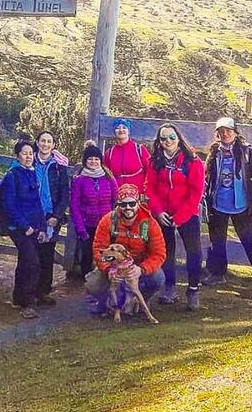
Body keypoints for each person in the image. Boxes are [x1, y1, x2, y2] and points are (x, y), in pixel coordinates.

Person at [202, 117, 252, 299]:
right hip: (218, 205)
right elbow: (207, 177)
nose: (225, 134)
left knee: (251, 243)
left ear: (236, 133)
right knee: (217, 242)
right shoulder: (214, 153)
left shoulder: (247, 153)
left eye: (228, 131)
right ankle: (217, 273)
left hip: (242, 206)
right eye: (221, 131)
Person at [145, 123, 205, 311]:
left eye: (171, 137)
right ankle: (169, 287)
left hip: (187, 212)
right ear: (159, 141)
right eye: (163, 138)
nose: (168, 141)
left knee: (193, 252)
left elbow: (196, 193)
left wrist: (180, 216)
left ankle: (193, 289)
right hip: (163, 213)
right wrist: (158, 211)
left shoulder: (192, 161)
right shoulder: (155, 161)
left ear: (178, 138)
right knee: (166, 253)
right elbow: (149, 187)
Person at [89, 183, 166, 317]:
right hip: (114, 265)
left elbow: (159, 254)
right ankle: (104, 303)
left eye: (131, 203)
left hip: (139, 265)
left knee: (157, 278)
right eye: (123, 204)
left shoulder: (149, 223)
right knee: (93, 283)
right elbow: (98, 249)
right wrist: (108, 269)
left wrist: (141, 269)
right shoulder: (108, 221)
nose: (128, 207)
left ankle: (141, 299)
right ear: (118, 204)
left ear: (138, 202)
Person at [1, 141, 48, 319]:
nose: (28, 157)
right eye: (24, 153)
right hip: (18, 227)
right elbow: (9, 205)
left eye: (30, 153)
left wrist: (41, 227)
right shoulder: (12, 176)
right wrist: (25, 226)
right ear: (17, 156)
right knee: (32, 262)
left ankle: (19, 298)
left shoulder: (33, 174)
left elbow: (37, 204)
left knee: (25, 261)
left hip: (33, 226)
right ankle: (29, 303)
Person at [32, 130, 71, 305]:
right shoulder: (29, 161)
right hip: (31, 216)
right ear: (37, 142)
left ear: (53, 145)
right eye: (43, 141)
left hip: (50, 217)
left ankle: (43, 292)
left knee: (47, 256)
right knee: (30, 255)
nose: (45, 144)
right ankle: (28, 291)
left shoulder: (58, 167)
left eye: (49, 141)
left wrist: (57, 215)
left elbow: (64, 193)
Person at [69, 141, 118, 278]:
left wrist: (114, 222)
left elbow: (116, 200)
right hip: (87, 224)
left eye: (96, 159)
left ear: (100, 161)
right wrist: (80, 228)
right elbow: (74, 205)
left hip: (106, 224)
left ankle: (107, 279)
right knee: (87, 255)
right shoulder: (79, 180)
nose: (93, 162)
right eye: (90, 159)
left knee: (107, 254)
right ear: (85, 161)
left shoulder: (109, 178)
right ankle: (87, 282)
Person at [103, 117, 150, 192]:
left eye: (124, 128)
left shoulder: (140, 149)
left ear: (128, 131)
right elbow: (106, 175)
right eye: (118, 128)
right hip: (116, 193)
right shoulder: (109, 153)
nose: (121, 130)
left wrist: (146, 191)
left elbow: (150, 171)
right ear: (114, 131)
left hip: (137, 193)